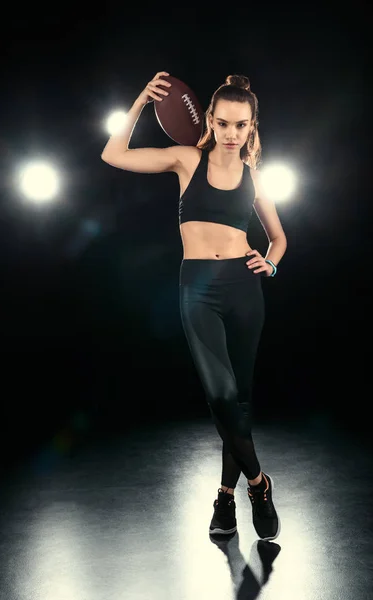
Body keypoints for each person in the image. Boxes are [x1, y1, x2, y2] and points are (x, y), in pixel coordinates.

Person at [101, 71, 287, 541]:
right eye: (223, 123)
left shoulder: (253, 174)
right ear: (210, 120)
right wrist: (142, 100)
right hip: (198, 288)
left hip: (244, 289)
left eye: (240, 126)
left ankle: (225, 500)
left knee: (239, 404)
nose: (231, 134)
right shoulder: (188, 160)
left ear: (251, 128)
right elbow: (112, 154)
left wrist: (270, 263)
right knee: (222, 396)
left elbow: (280, 238)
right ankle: (259, 486)